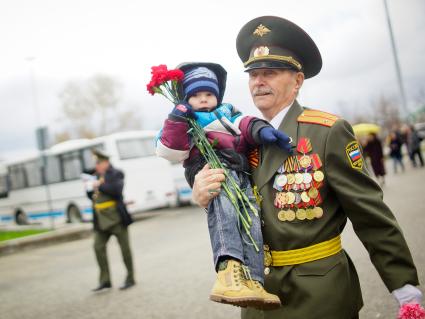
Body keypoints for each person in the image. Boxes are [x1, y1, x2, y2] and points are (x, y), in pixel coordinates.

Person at [191, 16, 422, 319]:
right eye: (253, 74)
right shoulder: (236, 137)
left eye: (269, 73)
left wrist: (404, 288)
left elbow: (371, 216)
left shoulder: (327, 132)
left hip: (319, 295)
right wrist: (203, 194)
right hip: (259, 297)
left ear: (297, 80)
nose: (258, 82)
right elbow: (236, 208)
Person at [156, 62, 293, 309]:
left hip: (240, 173)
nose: (204, 100)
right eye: (196, 95)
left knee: (250, 219)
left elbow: (244, 123)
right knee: (226, 213)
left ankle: (254, 280)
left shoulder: (227, 111)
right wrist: (177, 118)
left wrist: (262, 131)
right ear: (186, 98)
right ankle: (228, 269)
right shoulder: (185, 119)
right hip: (214, 171)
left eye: (209, 94)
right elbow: (169, 150)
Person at [86, 149, 135, 291]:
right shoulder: (95, 176)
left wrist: (99, 185)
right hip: (101, 220)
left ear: (106, 162)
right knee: (97, 247)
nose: (96, 166)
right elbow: (91, 196)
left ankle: (130, 278)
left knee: (125, 250)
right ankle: (105, 280)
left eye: (98, 163)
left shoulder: (116, 173)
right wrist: (89, 188)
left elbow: (116, 190)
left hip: (117, 218)